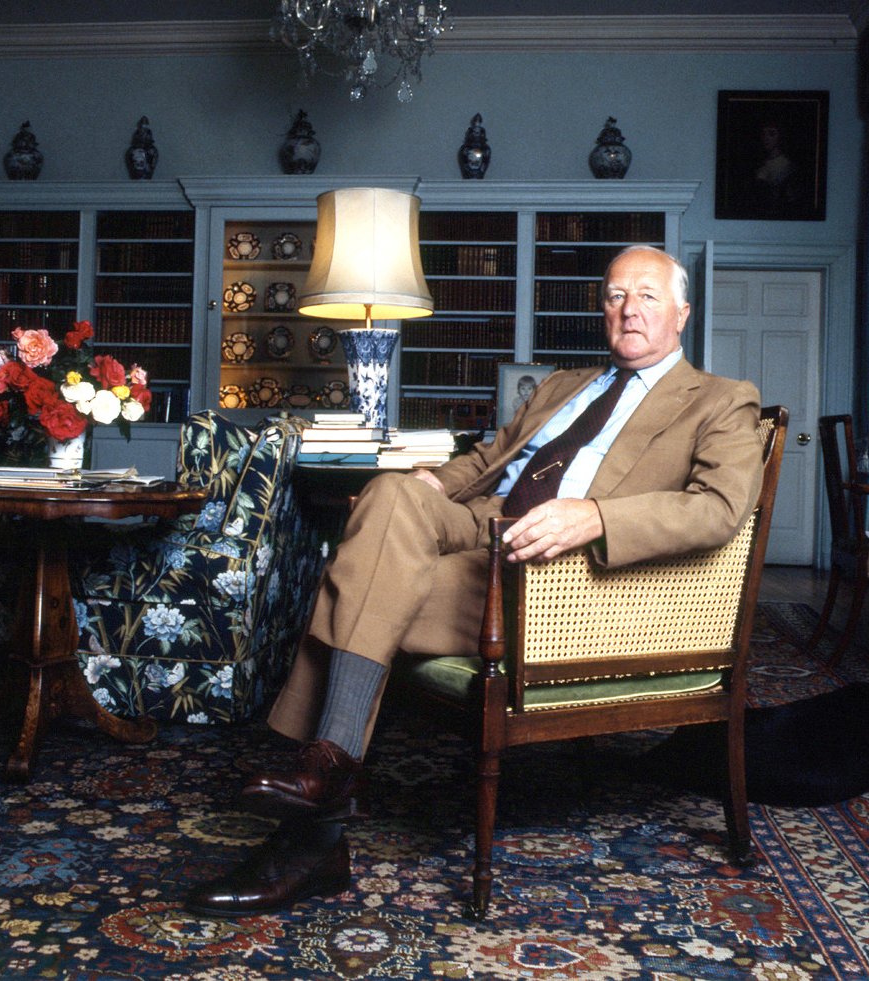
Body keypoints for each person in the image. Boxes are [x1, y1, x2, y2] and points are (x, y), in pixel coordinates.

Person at [184, 245, 764, 917]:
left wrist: (596, 516)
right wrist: (429, 485)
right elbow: (488, 458)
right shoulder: (564, 385)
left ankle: (316, 814)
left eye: (648, 296)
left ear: (682, 313)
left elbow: (718, 508)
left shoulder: (721, 399)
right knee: (390, 495)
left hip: (561, 573)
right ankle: (325, 781)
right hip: (483, 523)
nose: (628, 309)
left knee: (358, 580)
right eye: (615, 295)